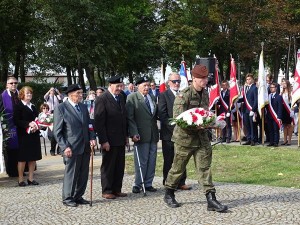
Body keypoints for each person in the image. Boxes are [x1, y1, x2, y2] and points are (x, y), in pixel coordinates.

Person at [163, 64, 228, 212]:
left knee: (205, 168)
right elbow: (178, 119)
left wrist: (212, 123)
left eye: (206, 78)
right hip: (184, 139)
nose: (205, 81)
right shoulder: (183, 95)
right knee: (178, 168)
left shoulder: (205, 93)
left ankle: (211, 199)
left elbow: (204, 113)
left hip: (201, 139)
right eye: (202, 78)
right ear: (194, 79)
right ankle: (169, 193)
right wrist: (196, 126)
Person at [53, 84, 96, 207]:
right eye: (78, 93)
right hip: (71, 147)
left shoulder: (83, 107)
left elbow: (89, 125)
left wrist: (92, 138)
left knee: (83, 173)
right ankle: (68, 197)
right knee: (71, 174)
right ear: (70, 95)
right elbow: (57, 131)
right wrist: (64, 146)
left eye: (81, 93)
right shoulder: (61, 108)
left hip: (85, 146)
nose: (80, 95)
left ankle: (78, 196)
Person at [94, 76, 128, 199]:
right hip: (109, 139)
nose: (120, 88)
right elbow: (99, 122)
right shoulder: (102, 99)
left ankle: (117, 189)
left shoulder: (122, 97)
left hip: (120, 138)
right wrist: (104, 140)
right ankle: (107, 190)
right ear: (110, 85)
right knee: (109, 166)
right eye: (117, 86)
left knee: (119, 165)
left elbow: (124, 118)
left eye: (121, 86)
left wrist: (126, 136)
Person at [158, 72, 191, 190]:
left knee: (182, 157)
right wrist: (174, 127)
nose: (176, 83)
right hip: (169, 133)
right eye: (174, 81)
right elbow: (162, 114)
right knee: (169, 159)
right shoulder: (163, 95)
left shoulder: (183, 94)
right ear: (168, 83)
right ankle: (168, 182)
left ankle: (181, 181)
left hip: (183, 133)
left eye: (178, 81)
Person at [126, 76, 159, 194]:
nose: (147, 87)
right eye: (144, 85)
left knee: (152, 160)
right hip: (140, 134)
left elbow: (154, 116)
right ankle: (138, 183)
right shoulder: (132, 98)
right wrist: (133, 132)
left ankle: (148, 183)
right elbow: (130, 118)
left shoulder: (152, 97)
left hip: (153, 134)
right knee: (142, 160)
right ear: (137, 86)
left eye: (148, 85)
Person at [13, 86, 42, 186]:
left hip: (33, 135)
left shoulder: (33, 106)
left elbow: (37, 119)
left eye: (30, 93)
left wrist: (37, 125)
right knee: (23, 158)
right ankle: (20, 179)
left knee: (32, 157)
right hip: (23, 135)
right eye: (27, 93)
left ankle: (30, 178)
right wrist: (28, 124)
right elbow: (16, 121)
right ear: (22, 95)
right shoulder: (18, 106)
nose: (29, 95)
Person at [0, 77, 20, 177]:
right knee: (11, 149)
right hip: (9, 126)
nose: (13, 85)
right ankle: (12, 170)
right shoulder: (2, 96)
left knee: (21, 147)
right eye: (11, 83)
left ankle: (21, 169)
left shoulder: (21, 94)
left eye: (15, 83)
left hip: (20, 125)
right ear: (7, 85)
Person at [241, 74, 258, 146]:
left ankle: (253, 140)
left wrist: (253, 110)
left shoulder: (254, 88)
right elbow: (244, 99)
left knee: (252, 125)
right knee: (247, 125)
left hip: (251, 110)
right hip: (245, 109)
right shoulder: (245, 88)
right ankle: (248, 138)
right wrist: (237, 100)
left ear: (252, 80)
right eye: (247, 79)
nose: (248, 81)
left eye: (250, 79)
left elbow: (256, 100)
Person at [266, 83, 283, 147]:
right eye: (270, 87)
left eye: (272, 87)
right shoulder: (268, 96)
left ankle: (276, 142)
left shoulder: (279, 97)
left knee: (275, 129)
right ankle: (271, 142)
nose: (271, 89)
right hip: (269, 116)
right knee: (270, 130)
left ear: (276, 88)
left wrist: (279, 117)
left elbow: (280, 108)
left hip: (276, 116)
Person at [280, 79, 294, 145]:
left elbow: (293, 102)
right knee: (284, 125)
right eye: (282, 83)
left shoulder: (291, 92)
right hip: (283, 110)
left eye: (285, 83)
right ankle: (285, 140)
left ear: (287, 84)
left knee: (290, 125)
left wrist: (292, 110)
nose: (283, 85)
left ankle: (289, 141)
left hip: (289, 110)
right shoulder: (281, 92)